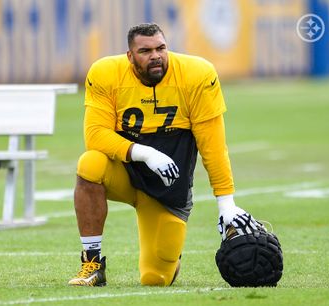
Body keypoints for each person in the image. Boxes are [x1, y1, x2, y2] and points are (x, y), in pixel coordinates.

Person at [68, 23, 264, 287]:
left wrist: (226, 204)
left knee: (155, 279)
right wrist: (145, 153)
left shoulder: (196, 75)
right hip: (124, 174)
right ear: (130, 56)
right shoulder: (106, 73)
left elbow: (213, 145)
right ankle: (91, 264)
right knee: (89, 164)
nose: (155, 56)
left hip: (167, 192)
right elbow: (95, 135)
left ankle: (170, 252)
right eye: (145, 51)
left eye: (160, 48)